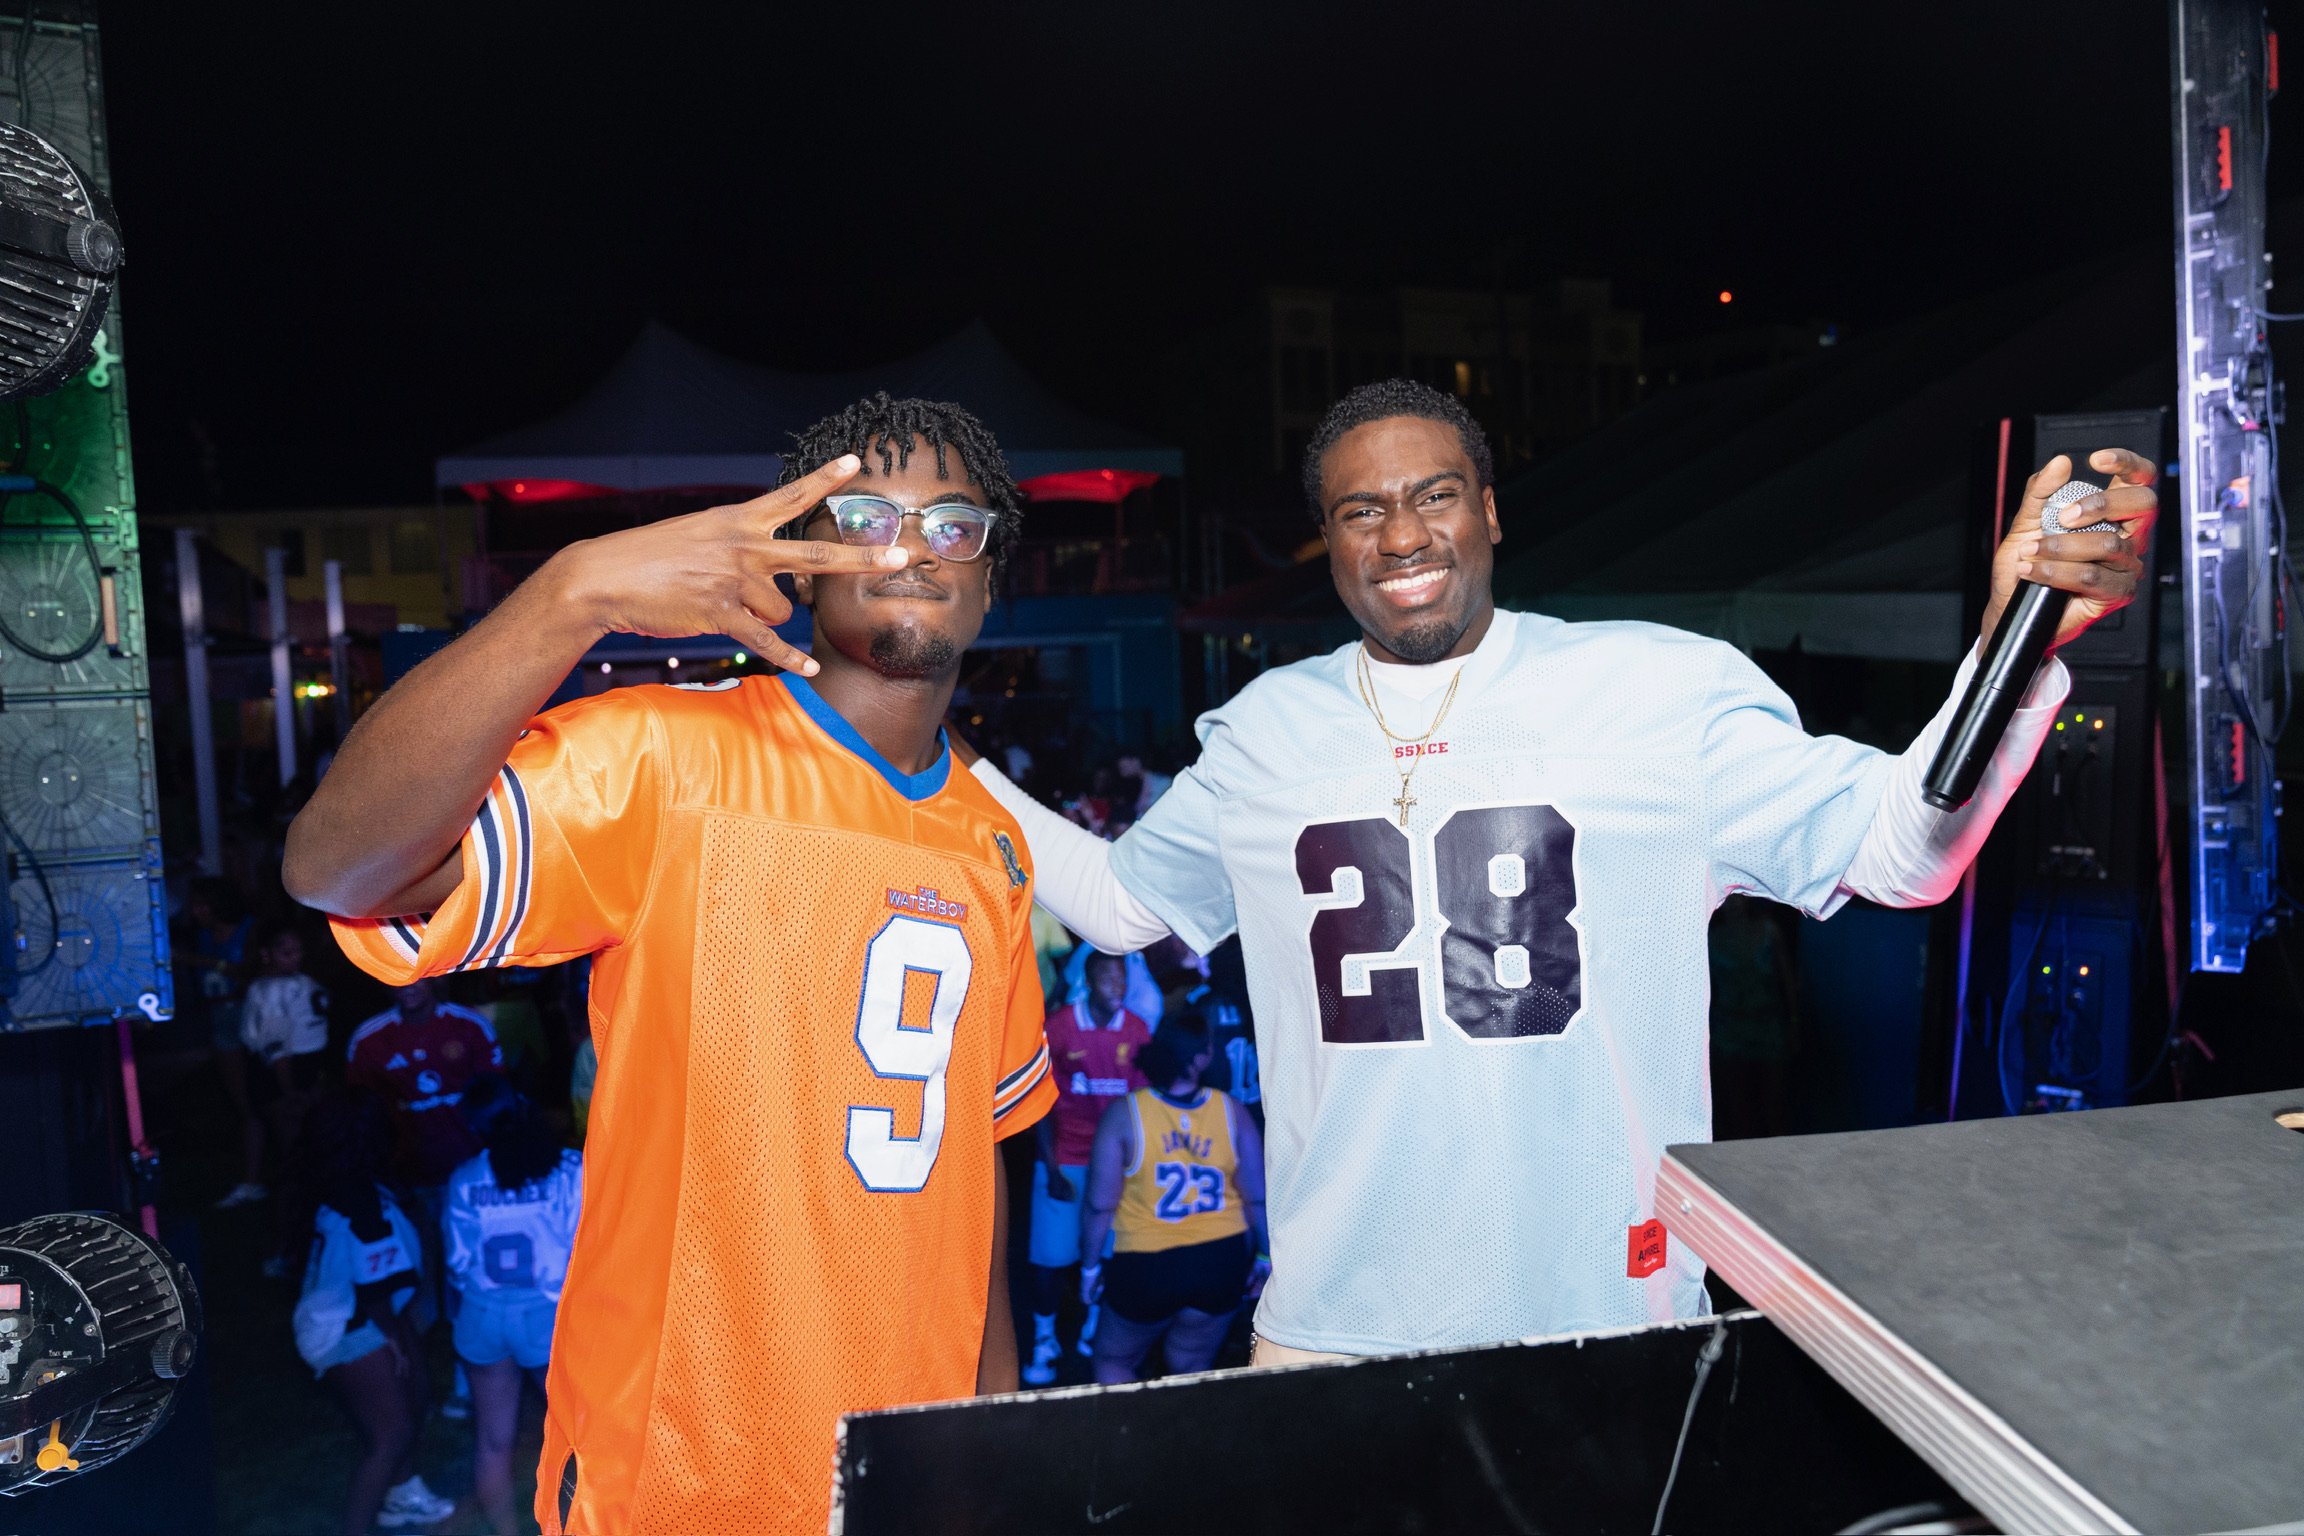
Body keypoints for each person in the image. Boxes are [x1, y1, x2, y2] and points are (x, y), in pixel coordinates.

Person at [963, 377, 2155, 1364]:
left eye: (1433, 496)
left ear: (1487, 510)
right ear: (1326, 542)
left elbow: (1906, 853)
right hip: (1331, 1333)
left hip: (1599, 1322)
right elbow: (1120, 905)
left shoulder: (1659, 690)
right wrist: (926, 761)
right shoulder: (1266, 730)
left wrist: (2018, 647)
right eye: (1359, 510)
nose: (1401, 536)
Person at [283, 394, 1056, 1535]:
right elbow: (338, 868)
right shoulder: (664, 761)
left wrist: (994, 1428)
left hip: (910, 1471)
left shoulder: (992, 844)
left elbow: (973, 1158)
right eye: (866, 518)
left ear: (990, 578)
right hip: (685, 1481)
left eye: (953, 524)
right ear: (803, 563)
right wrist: (571, 592)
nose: (911, 548)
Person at [290, 1089, 459, 1536]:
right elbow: (374, 1290)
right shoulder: (361, 1201)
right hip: (349, 1321)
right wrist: (395, 1341)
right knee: (392, 1434)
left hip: (367, 1307)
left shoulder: (346, 1180)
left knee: (417, 1397)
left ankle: (404, 1495)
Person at [1081, 1014, 1268, 1384]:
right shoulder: (1232, 1111)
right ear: (1201, 1058)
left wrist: (1089, 1270)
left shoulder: (1125, 1114)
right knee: (1189, 1368)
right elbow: (1257, 1198)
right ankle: (1180, 1438)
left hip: (1146, 1265)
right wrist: (1264, 1257)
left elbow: (1100, 1205)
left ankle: (1129, 1439)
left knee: (1113, 1361)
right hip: (1220, 1260)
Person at [445, 1075, 583, 1536]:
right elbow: (583, 1247)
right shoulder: (568, 1169)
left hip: (483, 1315)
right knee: (580, 1438)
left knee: (493, 1441)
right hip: (546, 1316)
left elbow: (457, 1263)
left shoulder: (465, 1179)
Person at [1023, 948, 1152, 1385]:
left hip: (1114, 1165)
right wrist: (1050, 1167)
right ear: (1089, 981)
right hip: (1066, 1161)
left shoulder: (1136, 1030)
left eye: (1123, 980)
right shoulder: (1059, 1026)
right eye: (1109, 980)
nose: (1119, 988)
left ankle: (1093, 1324)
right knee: (1050, 1258)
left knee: (1107, 1253)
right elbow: (1040, 1106)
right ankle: (1044, 1338)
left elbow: (1140, 1106)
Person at [186, 877, 266, 1210]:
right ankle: (252, 1180)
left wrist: (200, 962)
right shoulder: (201, 936)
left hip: (254, 1021)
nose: (196, 911)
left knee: (268, 1098)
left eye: (203, 904)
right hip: (221, 1023)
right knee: (244, 1103)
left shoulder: (250, 929)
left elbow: (246, 971)